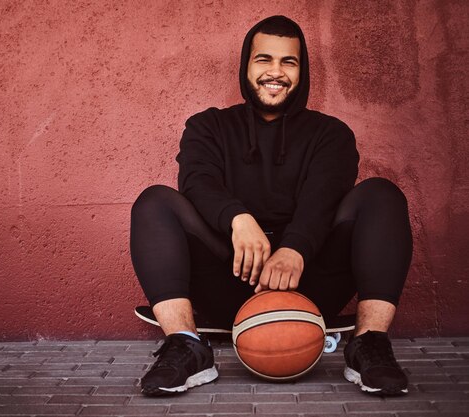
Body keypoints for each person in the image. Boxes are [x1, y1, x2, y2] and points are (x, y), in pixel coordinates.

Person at [130, 15, 413, 397]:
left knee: (382, 194)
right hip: (230, 277)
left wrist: (295, 247)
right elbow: (198, 181)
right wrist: (238, 219)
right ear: (246, 65)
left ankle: (369, 345)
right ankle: (186, 344)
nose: (275, 72)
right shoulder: (208, 126)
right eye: (264, 60)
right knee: (154, 202)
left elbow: (324, 195)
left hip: (309, 280)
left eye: (288, 62)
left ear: (302, 70)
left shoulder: (331, 134)